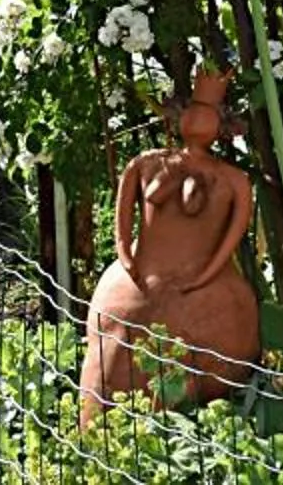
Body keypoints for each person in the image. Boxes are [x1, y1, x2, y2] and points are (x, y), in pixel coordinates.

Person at [77, 66, 259, 422]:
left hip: (210, 298)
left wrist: (206, 275)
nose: (198, 121)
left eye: (208, 114)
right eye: (194, 110)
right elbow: (122, 220)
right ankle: (96, 442)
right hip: (134, 288)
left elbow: (233, 236)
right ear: (179, 114)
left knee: (209, 402)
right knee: (111, 381)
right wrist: (127, 259)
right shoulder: (146, 163)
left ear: (222, 125)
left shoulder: (233, 180)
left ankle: (197, 447)